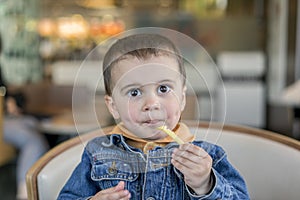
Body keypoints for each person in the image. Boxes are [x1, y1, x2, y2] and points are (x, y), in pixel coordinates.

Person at [58, 33, 250, 199]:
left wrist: (205, 185)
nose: (151, 104)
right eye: (134, 92)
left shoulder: (208, 156)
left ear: (182, 98)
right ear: (113, 106)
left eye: (163, 89)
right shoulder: (96, 153)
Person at [0, 35, 49, 199]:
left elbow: (4, 91)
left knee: (34, 123)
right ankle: (24, 194)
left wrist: (9, 101)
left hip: (6, 119)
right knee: (33, 140)